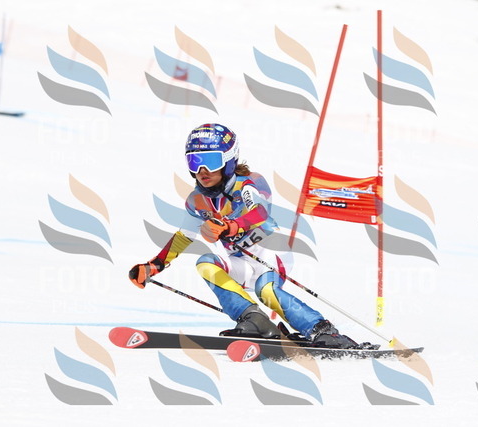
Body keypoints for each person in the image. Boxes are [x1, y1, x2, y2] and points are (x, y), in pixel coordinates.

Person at [129, 123, 357, 348]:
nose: (202, 171)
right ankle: (254, 319)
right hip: (241, 260)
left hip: (269, 252)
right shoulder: (196, 200)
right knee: (206, 263)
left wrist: (231, 226)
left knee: (266, 291)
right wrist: (155, 265)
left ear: (229, 160)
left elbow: (260, 211)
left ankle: (322, 330)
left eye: (211, 161)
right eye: (195, 161)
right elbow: (183, 237)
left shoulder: (248, 183)